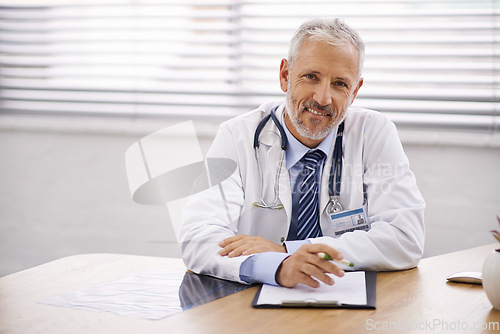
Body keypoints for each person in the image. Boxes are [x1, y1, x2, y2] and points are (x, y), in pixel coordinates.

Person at [180, 18, 425, 288]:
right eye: (311, 77)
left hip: (345, 302)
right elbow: (198, 236)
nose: (322, 98)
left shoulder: (374, 133)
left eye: (340, 84)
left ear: (355, 91)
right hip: (254, 305)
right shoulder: (237, 136)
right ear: (285, 75)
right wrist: (277, 268)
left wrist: (289, 252)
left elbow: (405, 238)